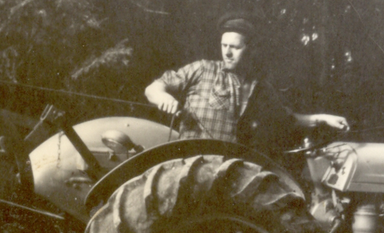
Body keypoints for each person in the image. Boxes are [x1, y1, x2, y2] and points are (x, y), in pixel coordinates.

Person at [144, 14, 348, 143]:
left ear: (249, 50)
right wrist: (163, 97)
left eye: (235, 47)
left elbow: (288, 120)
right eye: (224, 46)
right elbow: (154, 88)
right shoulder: (202, 69)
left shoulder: (258, 87)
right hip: (192, 164)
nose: (227, 53)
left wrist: (323, 118)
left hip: (229, 170)